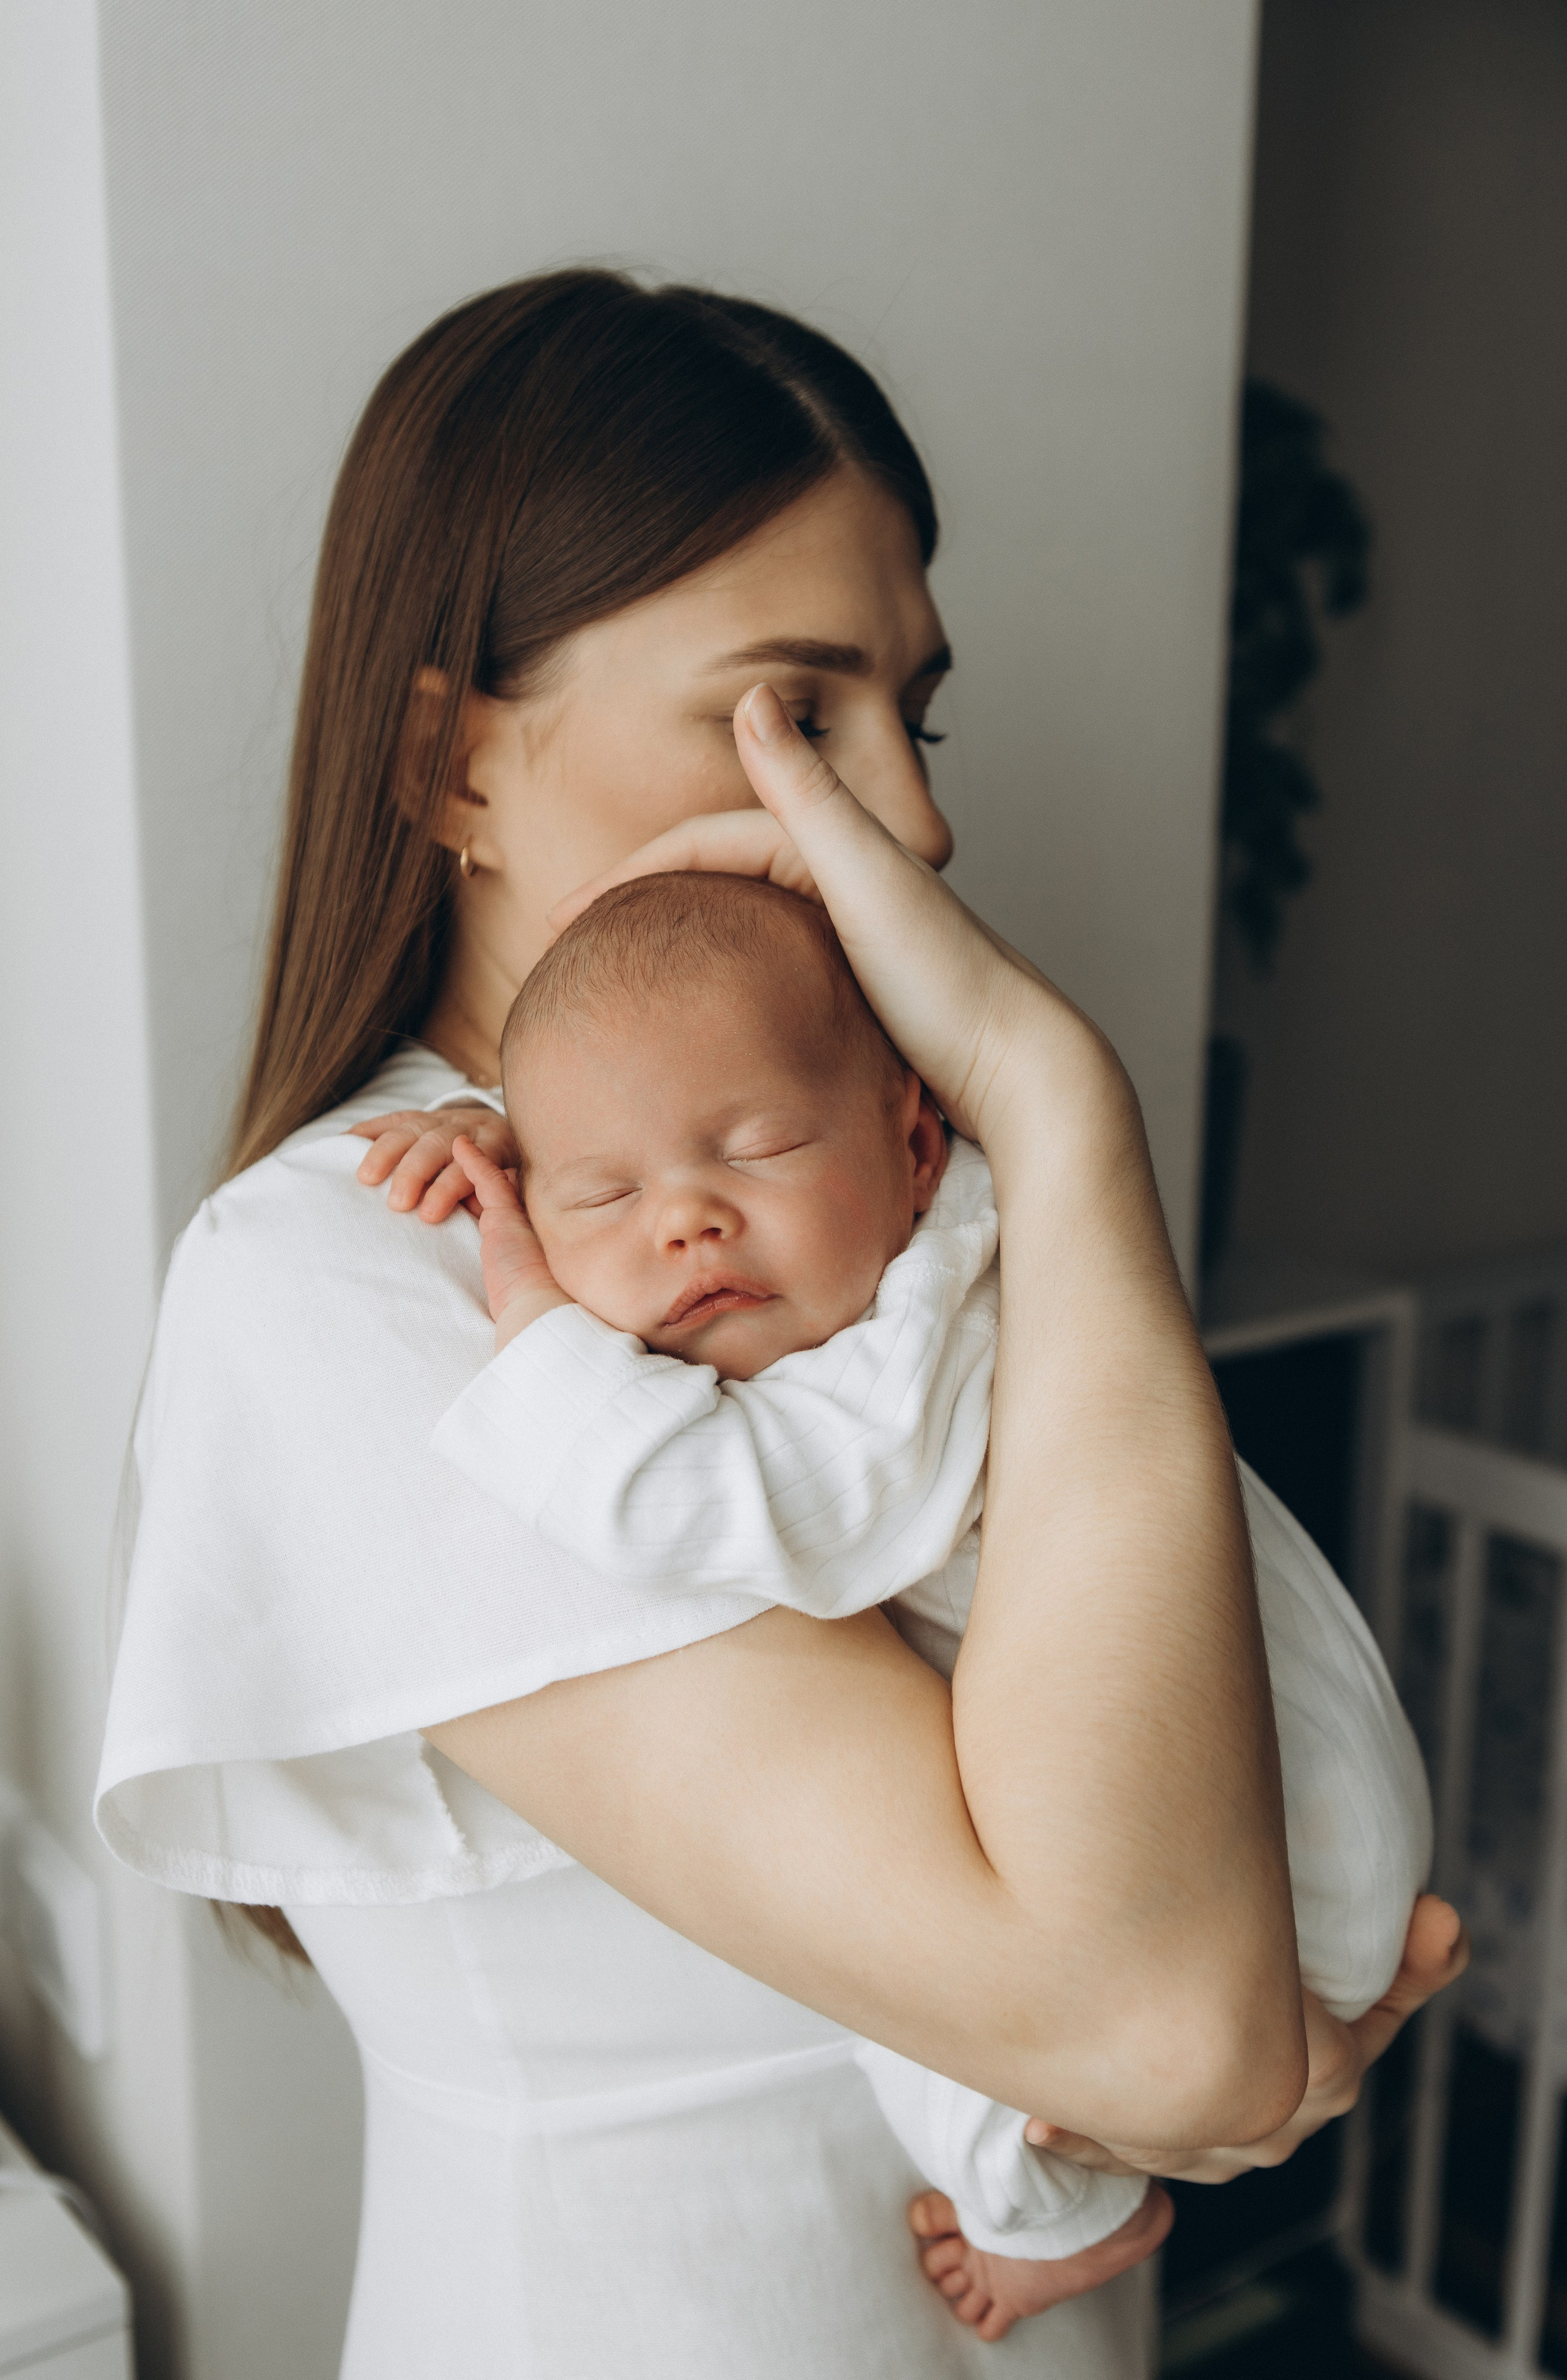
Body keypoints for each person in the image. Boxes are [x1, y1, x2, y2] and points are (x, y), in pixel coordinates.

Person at [96, 269, 1466, 2378]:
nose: (906, 823)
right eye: (788, 713)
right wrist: (1059, 1094)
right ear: (449, 761)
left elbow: (1183, 1918)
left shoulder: (873, 1180)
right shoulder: (348, 1282)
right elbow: (1176, 2022)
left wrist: (1184, 2072)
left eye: (911, 719)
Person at [364, 862, 1429, 2338]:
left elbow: (702, 1507)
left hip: (1284, 1853)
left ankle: (1059, 2218)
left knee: (912, 1994)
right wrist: (526, 1159)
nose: (685, 1222)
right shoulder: (947, 1240)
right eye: (604, 1191)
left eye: (755, 1150)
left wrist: (526, 1277)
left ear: (916, 1145)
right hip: (1281, 1849)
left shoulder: (908, 1348)